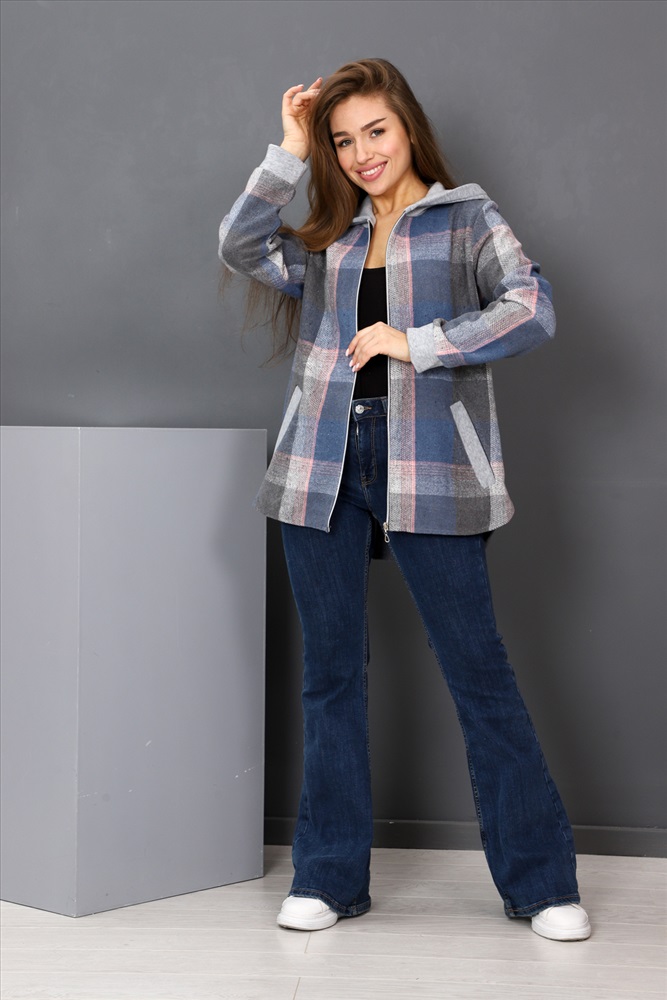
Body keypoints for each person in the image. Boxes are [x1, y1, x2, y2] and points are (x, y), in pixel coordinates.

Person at [218, 58, 591, 942]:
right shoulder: (329, 238)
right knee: (330, 676)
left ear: (408, 127)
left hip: (430, 460)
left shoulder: (465, 218)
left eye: (374, 131)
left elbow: (531, 308)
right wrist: (289, 149)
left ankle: (541, 885)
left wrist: (414, 342)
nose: (361, 154)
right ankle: (327, 877)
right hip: (320, 464)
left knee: (477, 672)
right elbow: (239, 243)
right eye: (342, 141)